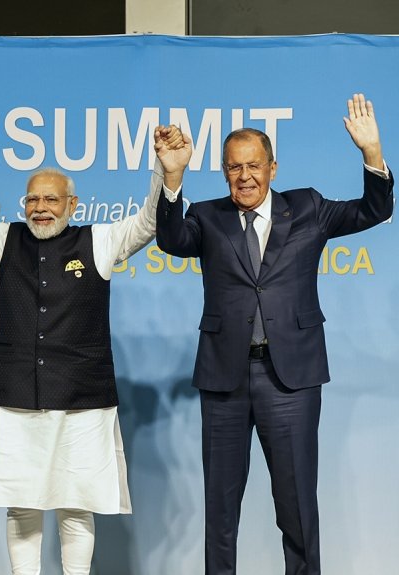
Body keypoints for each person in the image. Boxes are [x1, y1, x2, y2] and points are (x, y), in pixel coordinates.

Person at [0, 127, 188, 574]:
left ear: (72, 205)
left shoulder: (100, 242)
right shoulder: (3, 239)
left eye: (50, 200)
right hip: (13, 396)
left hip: (81, 400)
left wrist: (169, 175)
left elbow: (148, 221)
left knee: (76, 505)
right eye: (33, 200)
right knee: (22, 505)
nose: (40, 208)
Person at [155, 94, 394, 575]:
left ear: (273, 168)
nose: (244, 176)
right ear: (224, 172)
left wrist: (372, 155)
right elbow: (171, 240)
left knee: (297, 504)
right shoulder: (206, 214)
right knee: (220, 509)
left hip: (291, 377)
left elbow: (374, 210)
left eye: (254, 166)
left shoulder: (308, 208)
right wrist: (172, 177)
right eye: (233, 167)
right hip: (224, 377)